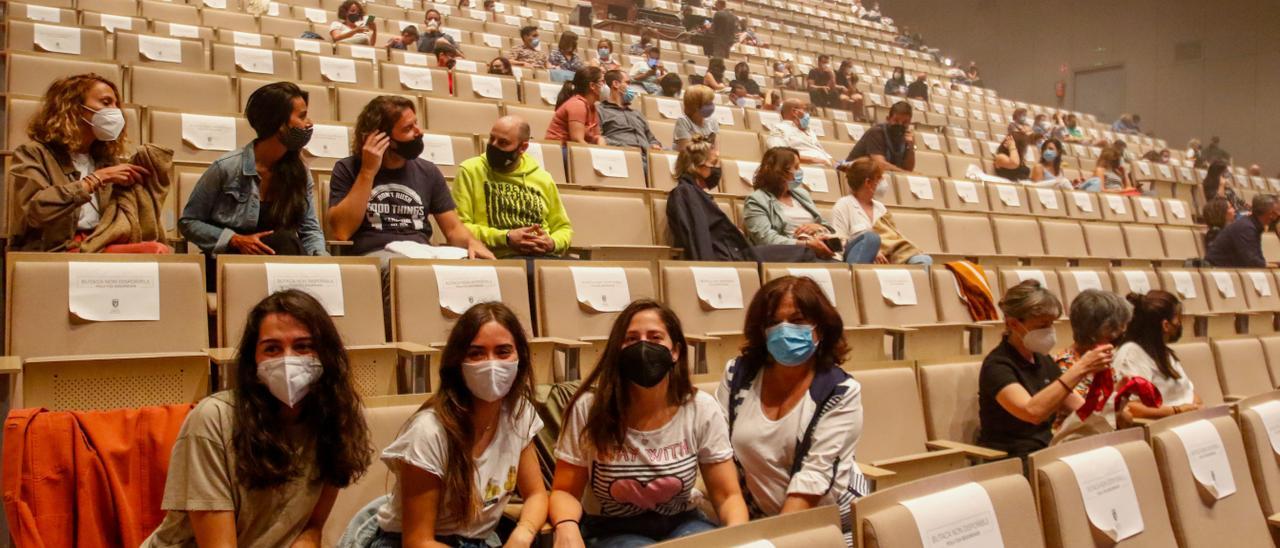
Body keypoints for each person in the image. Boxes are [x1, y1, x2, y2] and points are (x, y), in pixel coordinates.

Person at [142, 290, 372, 546]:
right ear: (253, 361)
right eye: (272, 349)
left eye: (303, 347)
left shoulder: (336, 416)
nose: (288, 360)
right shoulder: (213, 419)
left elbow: (312, 526)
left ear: (325, 354)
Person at [549, 300, 749, 546]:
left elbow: (727, 496)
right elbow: (565, 491)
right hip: (610, 528)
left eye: (655, 337)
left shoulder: (701, 408)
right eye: (631, 339)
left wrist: (740, 537)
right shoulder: (589, 409)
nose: (643, 346)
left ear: (675, 351)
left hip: (683, 521)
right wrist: (566, 525)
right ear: (617, 350)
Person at [368, 303, 547, 547]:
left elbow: (536, 494)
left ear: (520, 358)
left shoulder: (519, 413)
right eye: (476, 353)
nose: (491, 364)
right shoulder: (429, 431)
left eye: (503, 352)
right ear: (457, 362)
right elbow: (418, 541)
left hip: (478, 541)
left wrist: (523, 534)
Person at [718, 277, 867, 547]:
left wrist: (774, 542)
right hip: (757, 518)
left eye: (797, 321)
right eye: (773, 322)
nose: (784, 330)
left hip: (828, 523)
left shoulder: (840, 391)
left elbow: (813, 479)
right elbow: (719, 451)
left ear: (820, 329)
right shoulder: (737, 374)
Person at [8, 73, 170, 253]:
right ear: (74, 108)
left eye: (117, 105)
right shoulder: (33, 153)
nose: (116, 111)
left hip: (98, 243)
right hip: (55, 249)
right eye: (106, 103)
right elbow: (34, 210)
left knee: (158, 250)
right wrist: (95, 179)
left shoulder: (106, 159)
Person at [327, 95, 493, 261]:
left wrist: (472, 242)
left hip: (421, 253)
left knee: (478, 267)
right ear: (381, 139)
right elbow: (342, 231)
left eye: (416, 124)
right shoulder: (348, 169)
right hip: (375, 255)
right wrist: (368, 171)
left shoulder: (428, 171)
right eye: (408, 129)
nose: (419, 132)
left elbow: (453, 228)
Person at [180, 82, 326, 266]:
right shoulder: (226, 168)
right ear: (279, 124)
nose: (309, 123)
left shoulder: (300, 172)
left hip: (282, 260)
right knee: (285, 242)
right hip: (231, 263)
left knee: (286, 242)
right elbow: (188, 222)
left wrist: (322, 261)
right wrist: (234, 239)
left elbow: (310, 229)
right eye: (302, 116)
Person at [977, 280, 1108, 459]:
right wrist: (1081, 368)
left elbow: (1080, 408)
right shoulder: (997, 365)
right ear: (1014, 324)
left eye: (1051, 324)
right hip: (1012, 459)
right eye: (1041, 325)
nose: (1049, 331)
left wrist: (1115, 401)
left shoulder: (1042, 359)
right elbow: (1032, 412)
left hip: (1047, 451)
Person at [453, 116, 573, 258]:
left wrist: (552, 242)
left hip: (543, 258)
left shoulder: (543, 178)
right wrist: (506, 237)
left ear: (522, 147)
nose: (494, 146)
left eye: (503, 143)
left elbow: (563, 228)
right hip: (496, 258)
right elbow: (459, 228)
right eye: (492, 139)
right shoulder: (470, 170)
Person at [666, 135, 757, 261]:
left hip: (733, 253)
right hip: (722, 259)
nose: (717, 168)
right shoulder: (685, 192)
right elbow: (699, 238)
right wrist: (710, 270)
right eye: (713, 163)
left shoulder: (699, 194)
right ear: (697, 166)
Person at [1114, 291, 1203, 418]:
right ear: (1166, 325)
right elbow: (1131, 407)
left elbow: (1188, 391)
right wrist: (1177, 411)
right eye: (1178, 318)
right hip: (1164, 428)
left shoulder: (1163, 351)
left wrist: (1195, 407)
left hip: (1186, 421)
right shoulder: (1132, 354)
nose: (1180, 323)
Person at [1052, 290, 1133, 430]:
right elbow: (1089, 417)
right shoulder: (1062, 366)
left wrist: (1118, 406)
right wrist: (1115, 402)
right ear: (1102, 328)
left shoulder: (1104, 362)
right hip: (1075, 441)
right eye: (1119, 325)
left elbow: (1125, 420)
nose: (1123, 330)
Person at [830, 158, 932, 265]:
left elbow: (892, 238)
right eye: (879, 178)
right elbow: (838, 242)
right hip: (858, 258)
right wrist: (872, 249)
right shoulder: (843, 205)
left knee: (924, 260)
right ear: (868, 182)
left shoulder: (881, 208)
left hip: (887, 257)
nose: (883, 182)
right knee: (871, 239)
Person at [743, 147, 835, 260]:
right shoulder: (756, 200)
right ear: (780, 171)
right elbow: (765, 239)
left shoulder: (802, 194)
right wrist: (806, 245)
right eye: (796, 167)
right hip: (788, 256)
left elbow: (829, 229)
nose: (800, 171)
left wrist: (818, 227)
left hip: (818, 253)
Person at [1205, 193, 1279, 268]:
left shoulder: (1251, 225)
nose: (1278, 214)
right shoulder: (1246, 227)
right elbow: (1253, 262)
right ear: (1270, 213)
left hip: (1231, 271)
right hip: (1218, 273)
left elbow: (1257, 259)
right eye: (1277, 211)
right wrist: (1275, 266)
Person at [598, 70, 663, 151]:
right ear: (616, 84)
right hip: (622, 157)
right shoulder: (600, 110)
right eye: (627, 83)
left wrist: (654, 144)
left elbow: (651, 138)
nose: (630, 88)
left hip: (647, 156)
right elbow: (599, 139)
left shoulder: (637, 113)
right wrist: (626, 147)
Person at [845, 101, 915, 172]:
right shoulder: (876, 132)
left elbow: (908, 169)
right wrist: (905, 173)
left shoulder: (906, 137)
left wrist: (910, 146)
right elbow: (880, 165)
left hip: (877, 176)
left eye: (905, 122)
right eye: (896, 121)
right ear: (888, 119)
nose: (900, 125)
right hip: (853, 174)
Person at [546, 67, 606, 145]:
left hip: (574, 151)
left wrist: (599, 140)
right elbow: (577, 141)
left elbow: (595, 136)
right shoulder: (578, 104)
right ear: (592, 86)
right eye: (602, 81)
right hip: (560, 150)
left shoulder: (592, 107)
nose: (605, 85)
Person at [765, 99, 833, 167]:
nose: (807, 113)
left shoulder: (809, 131)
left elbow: (822, 152)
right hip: (804, 168)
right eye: (805, 110)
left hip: (827, 167)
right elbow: (779, 153)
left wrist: (837, 164)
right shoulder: (780, 129)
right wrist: (814, 160)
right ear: (794, 111)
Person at [673, 85, 719, 151]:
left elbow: (716, 151)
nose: (712, 106)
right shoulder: (683, 121)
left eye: (711, 102)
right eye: (707, 103)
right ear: (695, 106)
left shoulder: (713, 121)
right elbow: (686, 152)